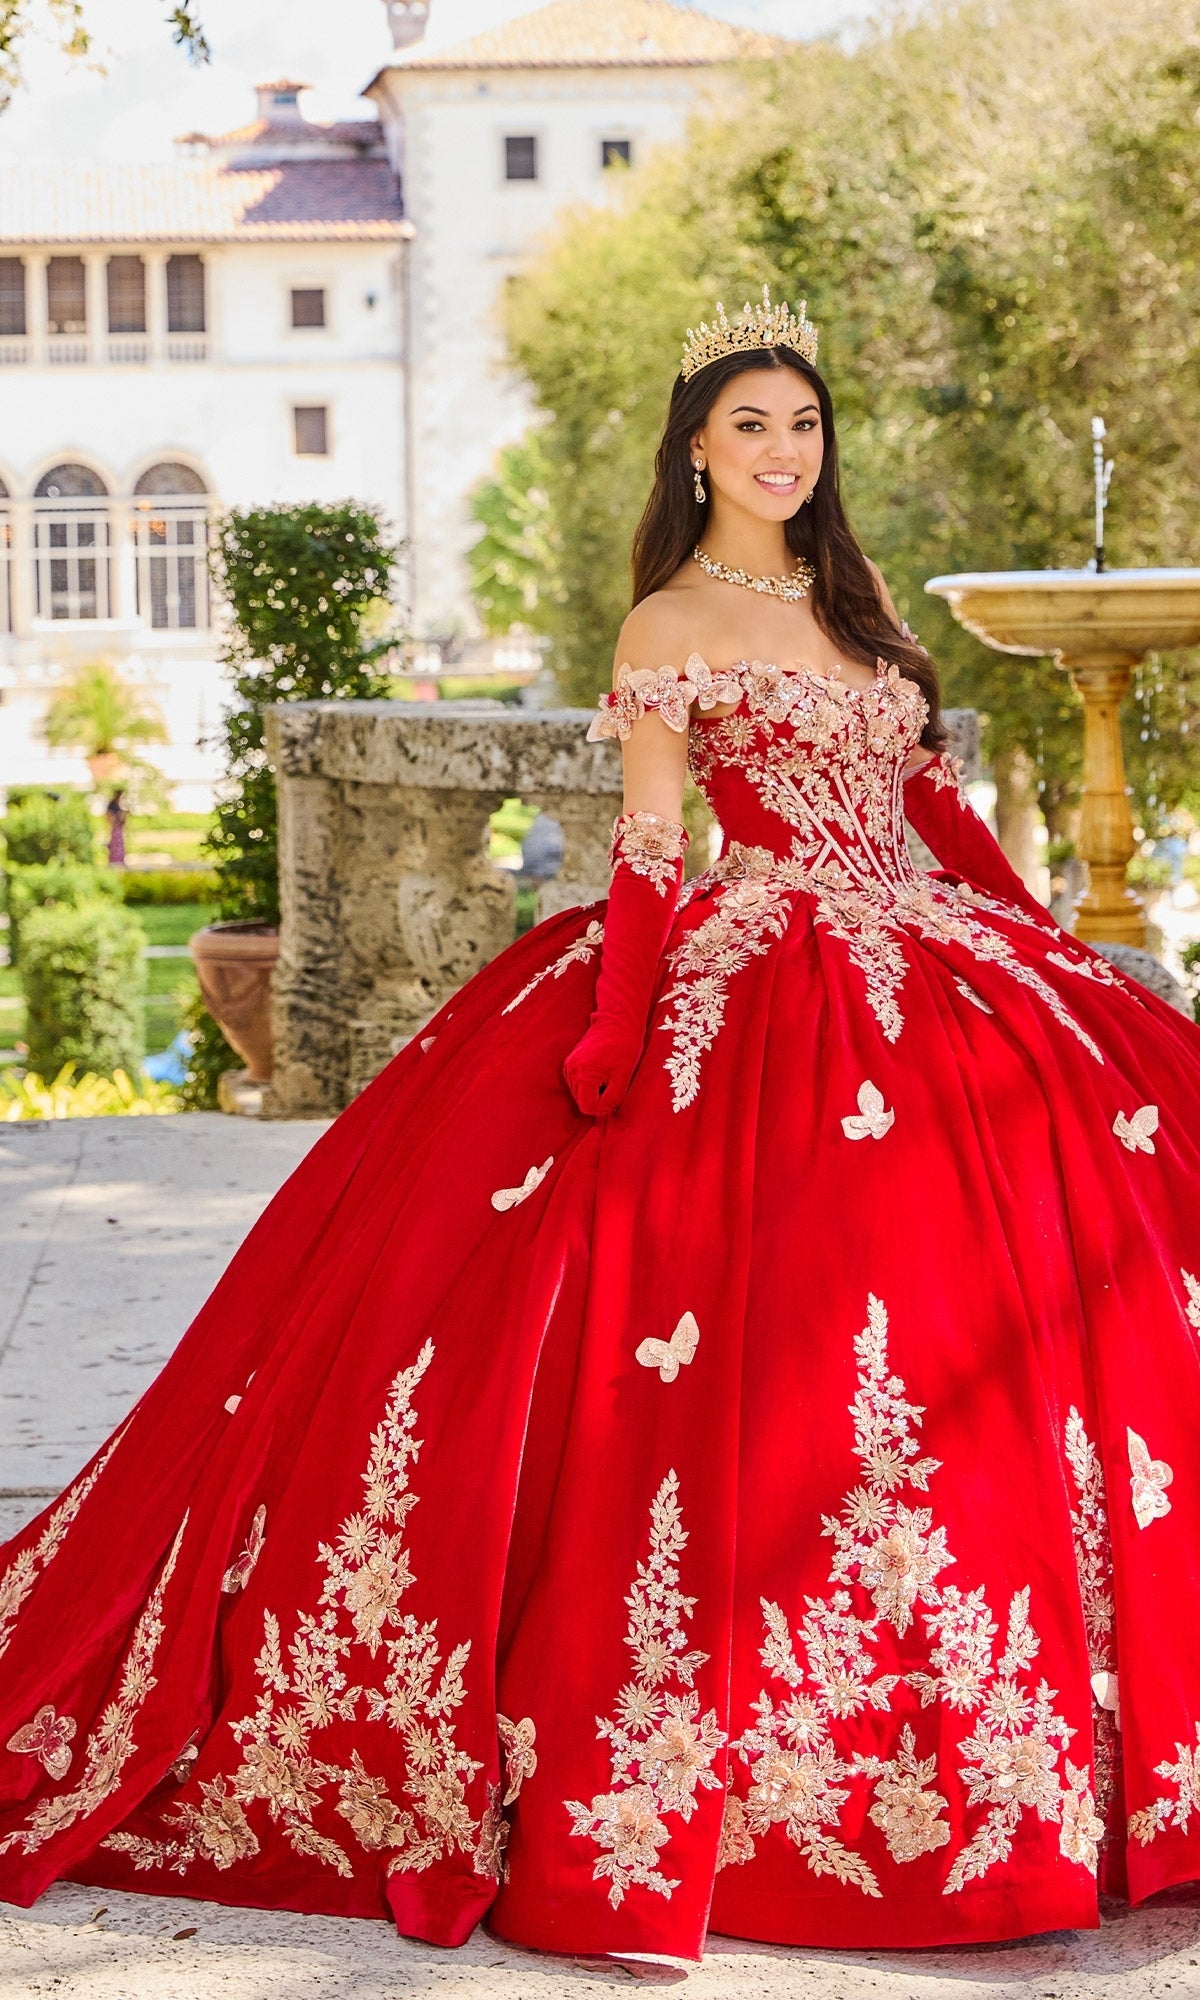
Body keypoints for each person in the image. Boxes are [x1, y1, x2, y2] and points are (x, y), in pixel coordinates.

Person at [1, 290, 1198, 1964]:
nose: (783, 452)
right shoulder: (668, 619)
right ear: (696, 448)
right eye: (750, 426)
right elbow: (650, 843)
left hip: (927, 954)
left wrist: (1039, 942)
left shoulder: (856, 603)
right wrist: (621, 1024)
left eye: (804, 424)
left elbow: (934, 806)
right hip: (764, 960)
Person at [104, 788, 128, 868]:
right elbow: (110, 818)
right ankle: (114, 862)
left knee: (119, 846)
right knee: (115, 846)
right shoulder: (112, 805)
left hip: (118, 828)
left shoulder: (118, 805)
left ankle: (119, 862)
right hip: (114, 828)